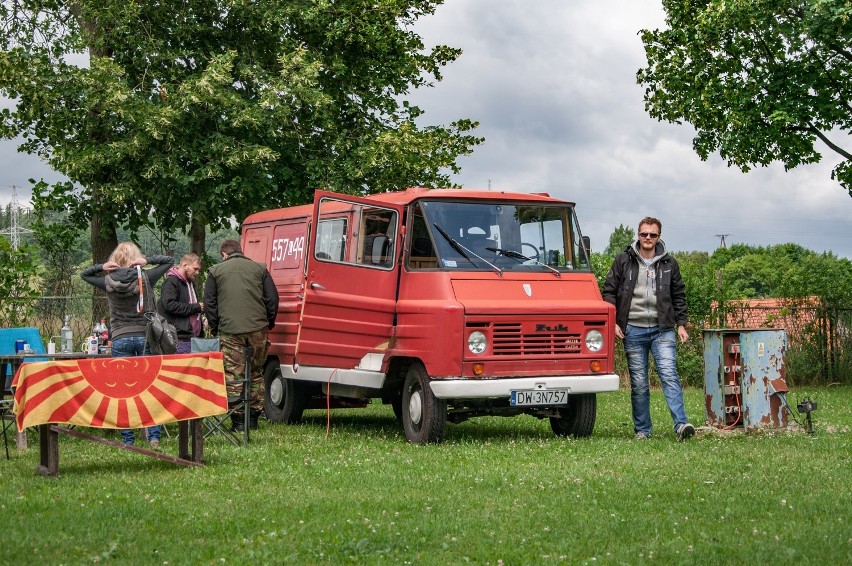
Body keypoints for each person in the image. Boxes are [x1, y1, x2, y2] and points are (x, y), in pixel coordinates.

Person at [602, 217, 695, 442]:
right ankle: (642, 430)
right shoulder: (623, 260)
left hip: (663, 329)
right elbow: (609, 292)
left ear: (659, 237)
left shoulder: (669, 264)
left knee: (669, 375)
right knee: (640, 383)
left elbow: (679, 295)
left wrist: (681, 324)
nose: (648, 238)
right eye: (644, 234)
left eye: (652, 235)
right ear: (638, 235)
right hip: (632, 329)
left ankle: (681, 425)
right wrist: (613, 322)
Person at [81, 242, 174, 448]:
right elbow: (169, 261)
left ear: (115, 259)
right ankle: (154, 436)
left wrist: (101, 267)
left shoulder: (108, 280)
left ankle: (128, 440)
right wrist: (147, 261)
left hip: (120, 338)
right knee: (149, 388)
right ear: (136, 258)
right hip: (145, 337)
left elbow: (84, 275)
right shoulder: (146, 278)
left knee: (123, 391)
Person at [203, 239, 278, 432]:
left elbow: (209, 303)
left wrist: (216, 326)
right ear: (240, 251)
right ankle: (253, 418)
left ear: (224, 255)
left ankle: (238, 421)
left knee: (234, 374)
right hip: (257, 329)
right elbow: (272, 298)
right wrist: (268, 322)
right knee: (255, 372)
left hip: (230, 331)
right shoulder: (260, 269)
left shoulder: (215, 271)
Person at [158, 253, 204, 354]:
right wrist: (196, 307)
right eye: (195, 269)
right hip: (179, 338)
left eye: (198, 270)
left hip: (192, 337)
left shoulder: (189, 282)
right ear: (184, 265)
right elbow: (169, 305)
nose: (197, 272)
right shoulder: (171, 282)